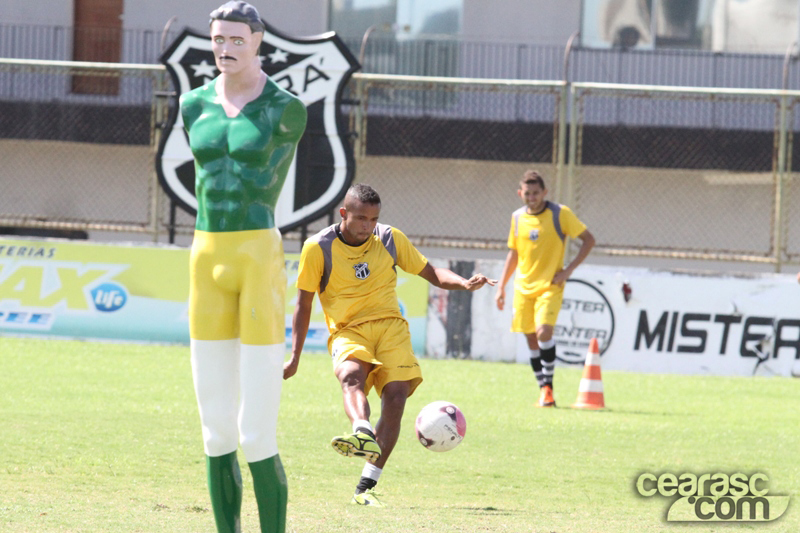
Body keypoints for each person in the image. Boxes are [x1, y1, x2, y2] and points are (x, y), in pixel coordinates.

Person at [284, 184, 495, 507]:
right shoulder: (318, 248)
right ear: (344, 214)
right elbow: (303, 304)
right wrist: (295, 356)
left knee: (395, 398)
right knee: (351, 377)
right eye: (361, 218)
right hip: (348, 330)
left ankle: (366, 487)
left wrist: (464, 283)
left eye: (373, 218)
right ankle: (362, 429)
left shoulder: (389, 238)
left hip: (390, 327)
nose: (368, 225)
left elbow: (432, 272)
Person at [180, 2, 307, 532]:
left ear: (258, 41)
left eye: (235, 39)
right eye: (217, 40)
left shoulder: (286, 109)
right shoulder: (192, 104)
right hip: (205, 256)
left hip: (258, 257)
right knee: (215, 434)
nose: (225, 48)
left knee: (256, 434)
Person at [495, 170, 595, 407]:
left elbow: (589, 239)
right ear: (520, 193)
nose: (532, 197)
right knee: (531, 339)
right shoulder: (517, 218)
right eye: (527, 193)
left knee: (543, 333)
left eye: (536, 193)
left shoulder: (560, 214)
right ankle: (544, 390)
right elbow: (514, 252)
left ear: (545, 192)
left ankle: (548, 386)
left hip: (550, 286)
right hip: (523, 288)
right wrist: (501, 286)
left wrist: (568, 271)